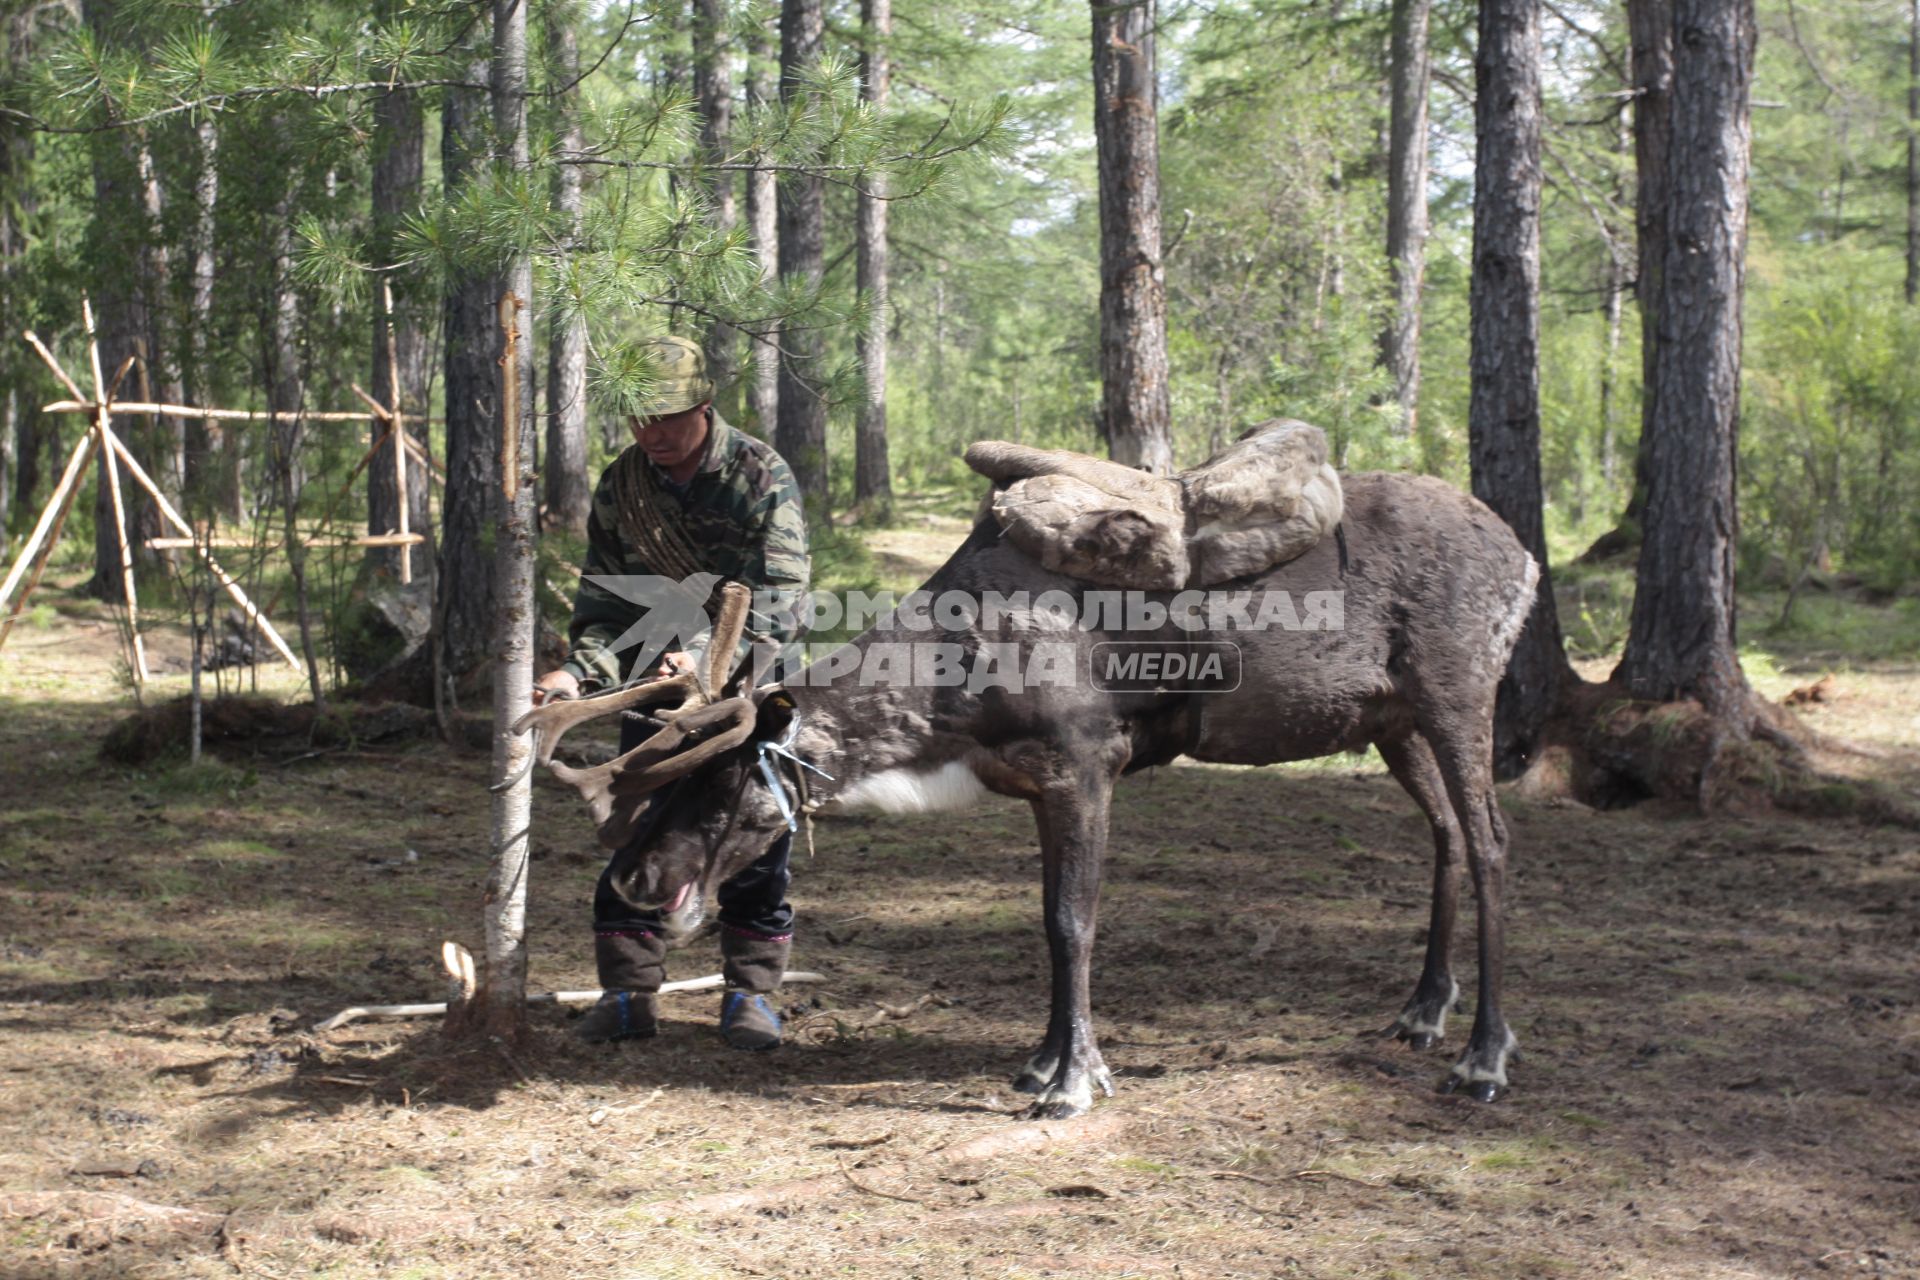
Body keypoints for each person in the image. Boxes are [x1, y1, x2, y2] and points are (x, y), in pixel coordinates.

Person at [532, 336, 809, 1050]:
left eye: (667, 418)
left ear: (704, 407)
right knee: (638, 830)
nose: (651, 435)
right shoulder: (623, 487)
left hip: (749, 691)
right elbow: (606, 607)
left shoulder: (758, 475)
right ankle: (627, 993)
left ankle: (751, 995)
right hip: (657, 693)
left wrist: (705, 657)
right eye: (638, 420)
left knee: (751, 837)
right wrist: (576, 674)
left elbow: (781, 602)